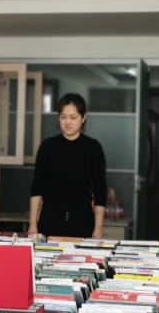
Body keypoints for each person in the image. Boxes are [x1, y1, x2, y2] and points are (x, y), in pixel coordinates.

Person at [28, 93, 108, 239]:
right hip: (50, 221)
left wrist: (98, 228)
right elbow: (37, 187)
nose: (68, 122)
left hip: (83, 222)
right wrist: (33, 224)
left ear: (83, 118)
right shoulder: (47, 147)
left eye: (73, 117)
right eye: (63, 117)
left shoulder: (93, 148)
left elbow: (100, 190)